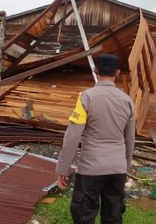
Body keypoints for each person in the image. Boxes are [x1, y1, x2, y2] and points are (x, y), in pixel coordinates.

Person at [55, 54, 136, 224]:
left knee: (84, 215)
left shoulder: (86, 97)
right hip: (117, 169)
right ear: (118, 72)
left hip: (91, 169)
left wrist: (63, 168)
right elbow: (130, 139)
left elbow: (72, 136)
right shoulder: (127, 101)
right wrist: (125, 167)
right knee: (113, 217)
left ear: (95, 70)